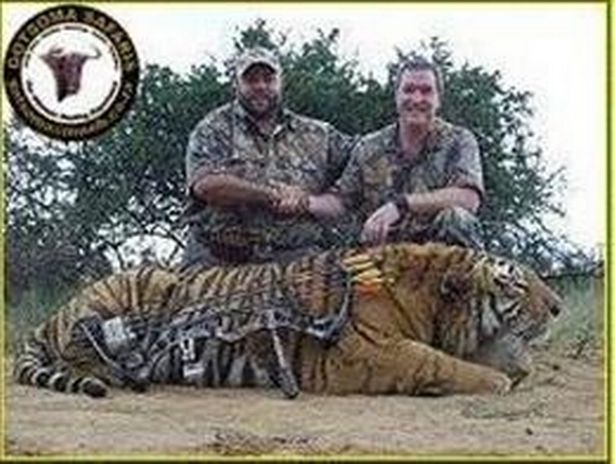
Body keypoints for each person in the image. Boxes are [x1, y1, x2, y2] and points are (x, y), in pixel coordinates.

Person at [182, 47, 354, 267]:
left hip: (297, 262)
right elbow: (206, 185)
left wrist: (309, 202)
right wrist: (272, 195)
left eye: (268, 79)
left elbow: (363, 159)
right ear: (236, 85)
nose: (261, 86)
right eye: (251, 80)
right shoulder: (213, 128)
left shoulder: (319, 134)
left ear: (281, 82)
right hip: (220, 261)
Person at [307, 57, 486, 250]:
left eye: (426, 91)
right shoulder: (369, 147)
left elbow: (469, 199)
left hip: (440, 254)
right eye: (408, 90)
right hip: (382, 253)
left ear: (438, 99)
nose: (416, 99)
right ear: (396, 96)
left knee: (457, 218)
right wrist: (303, 202)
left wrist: (401, 205)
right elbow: (341, 202)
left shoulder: (459, 140)